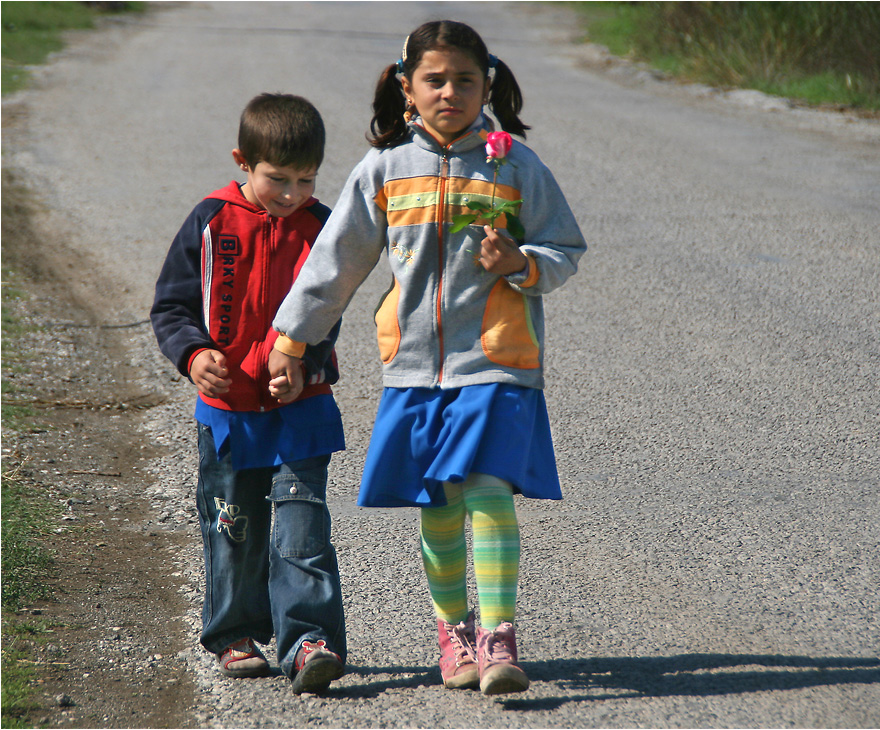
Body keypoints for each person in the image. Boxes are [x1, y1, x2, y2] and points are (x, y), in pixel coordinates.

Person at [268, 21, 586, 696]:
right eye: (435, 80)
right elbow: (337, 263)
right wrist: (292, 340)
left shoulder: (516, 166)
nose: (451, 93)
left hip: (499, 361)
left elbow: (565, 249)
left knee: (490, 491)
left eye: (465, 81)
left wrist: (523, 264)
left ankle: (500, 636)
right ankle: (455, 633)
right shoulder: (383, 168)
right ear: (406, 87)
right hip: (414, 369)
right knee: (440, 506)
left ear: (487, 86)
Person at [150, 93, 348, 696]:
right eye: (276, 179)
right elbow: (171, 306)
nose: (291, 193)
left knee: (301, 530)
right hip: (229, 414)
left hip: (301, 410)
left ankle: (308, 641)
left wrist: (307, 359)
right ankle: (234, 632)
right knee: (232, 527)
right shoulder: (211, 221)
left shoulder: (323, 226)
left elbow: (329, 309)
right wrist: (194, 354)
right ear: (244, 162)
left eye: (305, 179)